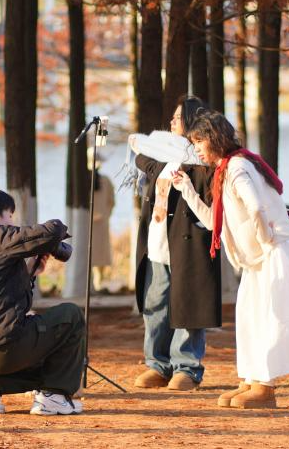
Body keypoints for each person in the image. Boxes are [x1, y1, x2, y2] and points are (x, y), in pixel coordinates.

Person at [171, 111, 289, 409]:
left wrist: (265, 239)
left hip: (275, 253)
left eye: (200, 141)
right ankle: (250, 380)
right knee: (249, 318)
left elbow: (256, 207)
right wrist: (187, 189)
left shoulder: (238, 167)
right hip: (260, 259)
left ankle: (264, 389)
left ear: (214, 138)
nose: (197, 149)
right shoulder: (227, 169)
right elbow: (215, 222)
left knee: (269, 319)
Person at [0, 189, 85, 416]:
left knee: (52, 361)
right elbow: (51, 231)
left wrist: (31, 270)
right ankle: (55, 397)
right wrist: (56, 235)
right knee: (71, 316)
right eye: (10, 216)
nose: (12, 223)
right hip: (2, 347)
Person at [127, 95, 219, 392]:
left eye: (178, 118)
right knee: (155, 304)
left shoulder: (202, 162)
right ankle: (158, 364)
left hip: (189, 245)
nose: (171, 122)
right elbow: (143, 160)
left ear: (191, 121)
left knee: (188, 305)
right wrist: (138, 144)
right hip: (157, 243)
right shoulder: (166, 157)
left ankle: (186, 367)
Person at [89, 158, 115, 292]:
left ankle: (95, 283)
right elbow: (112, 202)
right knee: (101, 254)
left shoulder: (84, 181)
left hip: (88, 223)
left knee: (91, 254)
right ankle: (97, 282)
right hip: (102, 222)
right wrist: (106, 215)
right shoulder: (106, 180)